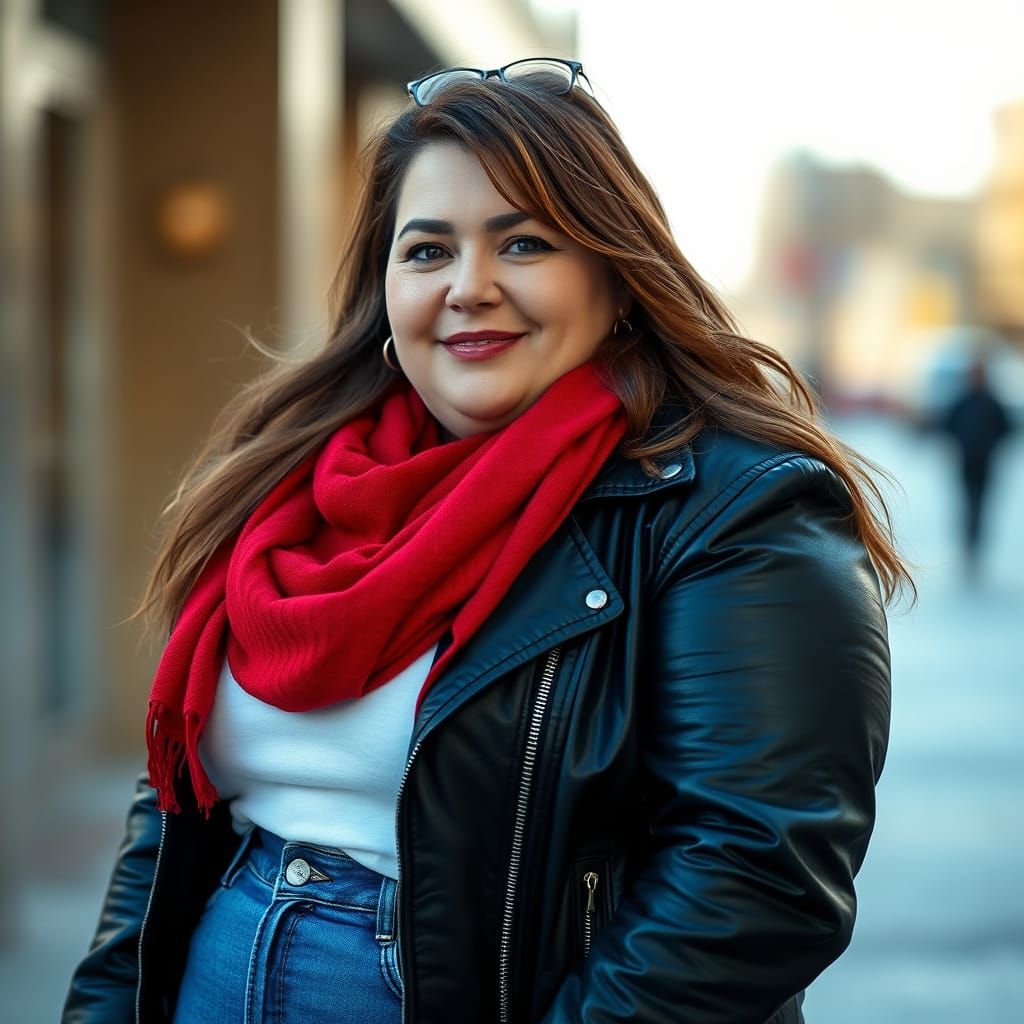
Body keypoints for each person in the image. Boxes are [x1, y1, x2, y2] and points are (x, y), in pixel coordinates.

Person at [63, 58, 905, 1024]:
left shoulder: (738, 507)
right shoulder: (292, 483)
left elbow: (756, 876)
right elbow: (171, 804)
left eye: (525, 243)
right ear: (386, 292)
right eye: (427, 251)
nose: (469, 286)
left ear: (617, 274)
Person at [939, 354, 1013, 577]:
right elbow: (947, 426)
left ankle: (976, 543)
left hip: (986, 463)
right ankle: (969, 543)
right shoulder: (962, 402)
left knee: (980, 504)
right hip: (966, 463)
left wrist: (992, 445)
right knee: (968, 503)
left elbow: (1006, 429)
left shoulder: (992, 402)